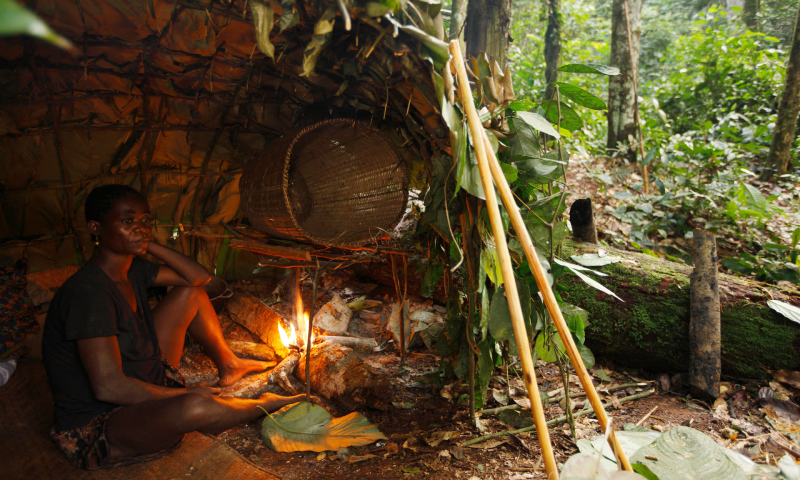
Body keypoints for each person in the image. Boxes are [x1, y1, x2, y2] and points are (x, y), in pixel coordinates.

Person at [42, 184, 309, 470]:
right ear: (96, 227)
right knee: (193, 407)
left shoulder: (131, 269)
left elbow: (199, 278)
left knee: (191, 293)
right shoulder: (89, 292)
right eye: (127, 221)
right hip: (103, 420)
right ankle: (265, 404)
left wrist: (148, 244)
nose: (141, 228)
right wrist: (185, 394)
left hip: (142, 376)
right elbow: (109, 388)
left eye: (146, 221)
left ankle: (229, 364)